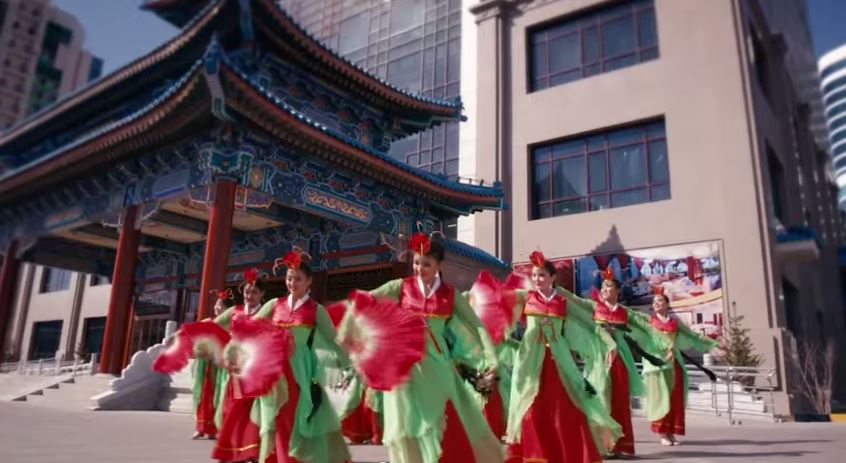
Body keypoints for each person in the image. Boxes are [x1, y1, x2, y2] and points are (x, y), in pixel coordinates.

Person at [360, 233, 503, 463]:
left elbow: (477, 326)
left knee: (442, 421)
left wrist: (491, 359)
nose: (420, 268)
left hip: (437, 366)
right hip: (405, 366)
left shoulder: (450, 295)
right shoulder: (401, 287)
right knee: (406, 423)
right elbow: (366, 300)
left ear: (439, 266)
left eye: (426, 264)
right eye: (417, 263)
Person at [503, 251, 621, 463]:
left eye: (542, 275)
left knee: (566, 408)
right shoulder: (525, 297)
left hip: (558, 360)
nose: (537, 279)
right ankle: (534, 455)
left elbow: (590, 323)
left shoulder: (562, 300)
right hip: (531, 361)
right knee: (530, 409)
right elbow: (499, 304)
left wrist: (609, 343)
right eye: (534, 275)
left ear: (552, 277)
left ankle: (569, 454)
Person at [253, 251, 352, 463]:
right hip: (275, 370)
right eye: (289, 278)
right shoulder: (275, 305)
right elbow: (251, 328)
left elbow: (334, 339)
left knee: (293, 417)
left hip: (300, 371)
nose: (292, 283)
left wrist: (348, 366)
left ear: (309, 281)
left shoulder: (316, 310)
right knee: (275, 418)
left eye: (298, 279)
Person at [560, 267, 667, 459]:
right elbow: (574, 300)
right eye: (602, 286)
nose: (604, 289)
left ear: (617, 290)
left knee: (620, 400)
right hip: (598, 358)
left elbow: (645, 324)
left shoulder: (625, 312)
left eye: (609, 286)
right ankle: (602, 446)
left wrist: (665, 342)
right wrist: (555, 287)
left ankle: (621, 446)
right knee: (600, 398)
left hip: (619, 358)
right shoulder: (594, 307)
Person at [643, 291, 717, 446]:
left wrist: (710, 343)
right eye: (654, 301)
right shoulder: (649, 321)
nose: (657, 303)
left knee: (674, 397)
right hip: (658, 362)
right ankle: (663, 433)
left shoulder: (675, 322)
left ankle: (671, 432)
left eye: (660, 300)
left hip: (673, 361)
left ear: (667, 304)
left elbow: (691, 335)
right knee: (661, 397)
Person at [211, 270, 266, 463]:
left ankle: (251, 450)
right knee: (232, 408)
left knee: (252, 409)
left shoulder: (265, 313)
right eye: (247, 292)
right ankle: (236, 449)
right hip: (236, 367)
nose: (250, 296)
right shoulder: (235, 311)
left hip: (256, 367)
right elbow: (214, 325)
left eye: (254, 292)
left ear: (262, 294)